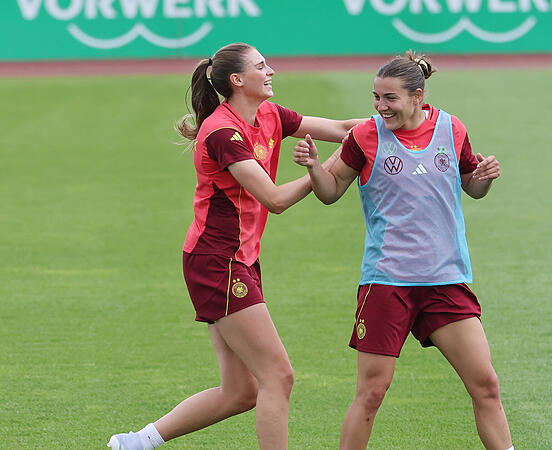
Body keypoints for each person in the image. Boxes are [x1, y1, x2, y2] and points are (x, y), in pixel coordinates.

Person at [107, 43, 362, 450]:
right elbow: (274, 200)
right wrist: (327, 168)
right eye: (262, 66)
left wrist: (395, 120)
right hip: (217, 262)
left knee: (240, 392)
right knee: (278, 377)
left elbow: (343, 128)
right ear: (237, 80)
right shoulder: (223, 132)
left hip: (236, 259)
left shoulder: (269, 115)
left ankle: (135, 442)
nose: (272, 70)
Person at [293, 51, 514, 450]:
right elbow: (329, 193)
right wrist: (313, 168)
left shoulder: (453, 128)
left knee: (486, 385)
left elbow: (472, 187)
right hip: (386, 282)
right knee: (371, 394)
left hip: (446, 280)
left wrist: (485, 179)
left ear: (417, 96)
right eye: (376, 97)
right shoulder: (365, 136)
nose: (380, 107)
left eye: (389, 98)